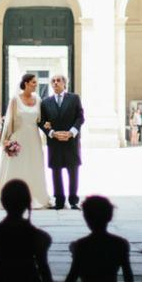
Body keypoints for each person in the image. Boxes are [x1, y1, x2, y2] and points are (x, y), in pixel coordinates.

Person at [0, 73, 51, 208]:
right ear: (26, 83)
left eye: (36, 83)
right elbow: (8, 122)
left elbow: (42, 120)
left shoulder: (38, 99)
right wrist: (6, 141)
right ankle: (12, 197)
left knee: (33, 166)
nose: (36, 85)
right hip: (18, 137)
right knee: (17, 166)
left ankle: (36, 196)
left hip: (34, 139)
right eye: (33, 83)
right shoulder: (15, 99)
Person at [40, 74, 85, 209]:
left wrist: (72, 132)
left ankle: (73, 201)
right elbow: (42, 122)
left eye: (58, 81)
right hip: (54, 142)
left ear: (65, 83)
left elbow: (80, 117)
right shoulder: (45, 102)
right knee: (56, 171)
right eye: (53, 81)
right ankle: (59, 201)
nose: (55, 83)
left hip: (71, 141)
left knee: (73, 171)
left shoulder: (74, 98)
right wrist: (52, 133)